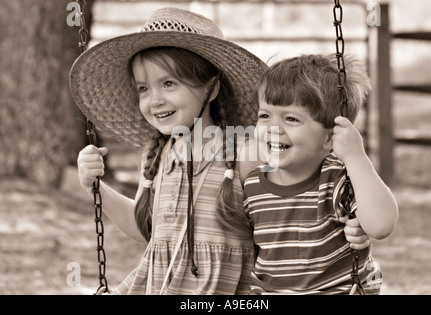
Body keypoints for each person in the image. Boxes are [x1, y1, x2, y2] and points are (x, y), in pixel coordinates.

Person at [72, 8, 370, 295]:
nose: (155, 100)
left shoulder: (245, 149)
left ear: (211, 88)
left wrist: (353, 221)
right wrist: (96, 188)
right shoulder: (156, 155)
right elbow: (147, 231)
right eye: (143, 89)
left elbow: (300, 199)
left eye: (169, 84)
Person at [241, 54, 398, 295]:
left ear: (329, 138)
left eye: (291, 118)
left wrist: (356, 157)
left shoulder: (335, 178)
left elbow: (381, 224)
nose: (273, 128)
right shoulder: (253, 185)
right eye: (264, 115)